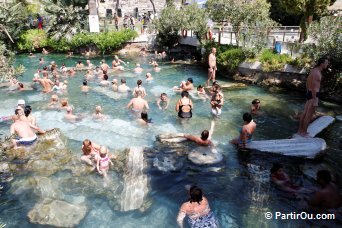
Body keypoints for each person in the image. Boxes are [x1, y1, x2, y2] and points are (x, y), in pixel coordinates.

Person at [298, 57, 329, 137]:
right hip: (314, 94)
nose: (327, 64)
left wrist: (308, 91)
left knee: (304, 113)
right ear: (322, 64)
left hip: (310, 93)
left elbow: (307, 83)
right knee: (308, 115)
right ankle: (304, 133)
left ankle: (300, 131)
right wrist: (315, 99)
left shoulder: (314, 70)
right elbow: (315, 87)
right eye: (326, 63)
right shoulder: (317, 73)